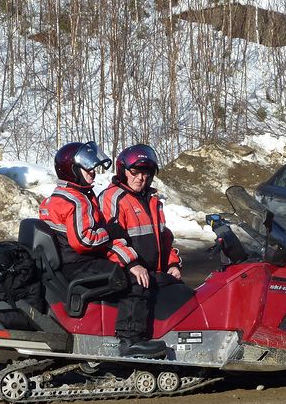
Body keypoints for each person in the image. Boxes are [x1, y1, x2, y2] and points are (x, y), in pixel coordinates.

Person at [39, 141, 166, 358]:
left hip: (67, 261)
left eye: (93, 168)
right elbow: (84, 240)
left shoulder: (60, 195)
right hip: (76, 262)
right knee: (131, 279)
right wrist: (107, 231)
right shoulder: (77, 200)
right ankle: (130, 340)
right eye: (87, 168)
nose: (92, 172)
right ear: (72, 170)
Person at [99, 144, 183, 293]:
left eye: (145, 174)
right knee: (139, 310)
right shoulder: (113, 198)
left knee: (186, 299)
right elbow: (110, 239)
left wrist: (172, 264)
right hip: (128, 273)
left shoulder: (152, 201)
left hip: (154, 274)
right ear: (123, 171)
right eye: (135, 172)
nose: (140, 178)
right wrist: (132, 265)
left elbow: (164, 238)